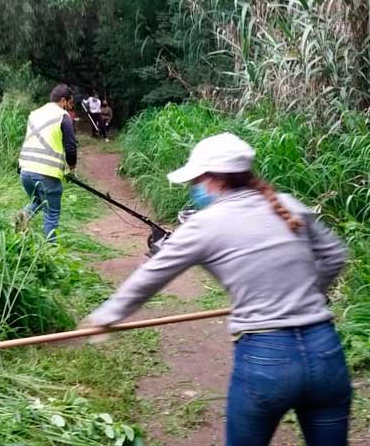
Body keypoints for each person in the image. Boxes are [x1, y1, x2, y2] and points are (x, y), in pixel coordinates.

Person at [84, 133, 351, 445]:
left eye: (195, 180)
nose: (193, 188)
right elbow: (335, 255)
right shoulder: (288, 205)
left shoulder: (204, 224)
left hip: (267, 360)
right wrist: (313, 293)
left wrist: (106, 315)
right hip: (326, 351)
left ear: (212, 179)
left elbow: (151, 275)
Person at [17, 84, 78, 242]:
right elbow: (71, 147)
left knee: (38, 201)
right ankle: (49, 252)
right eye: (71, 104)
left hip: (25, 171)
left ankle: (23, 216)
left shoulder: (34, 114)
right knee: (51, 213)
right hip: (46, 173)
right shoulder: (63, 116)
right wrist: (71, 168)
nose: (71, 108)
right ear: (63, 101)